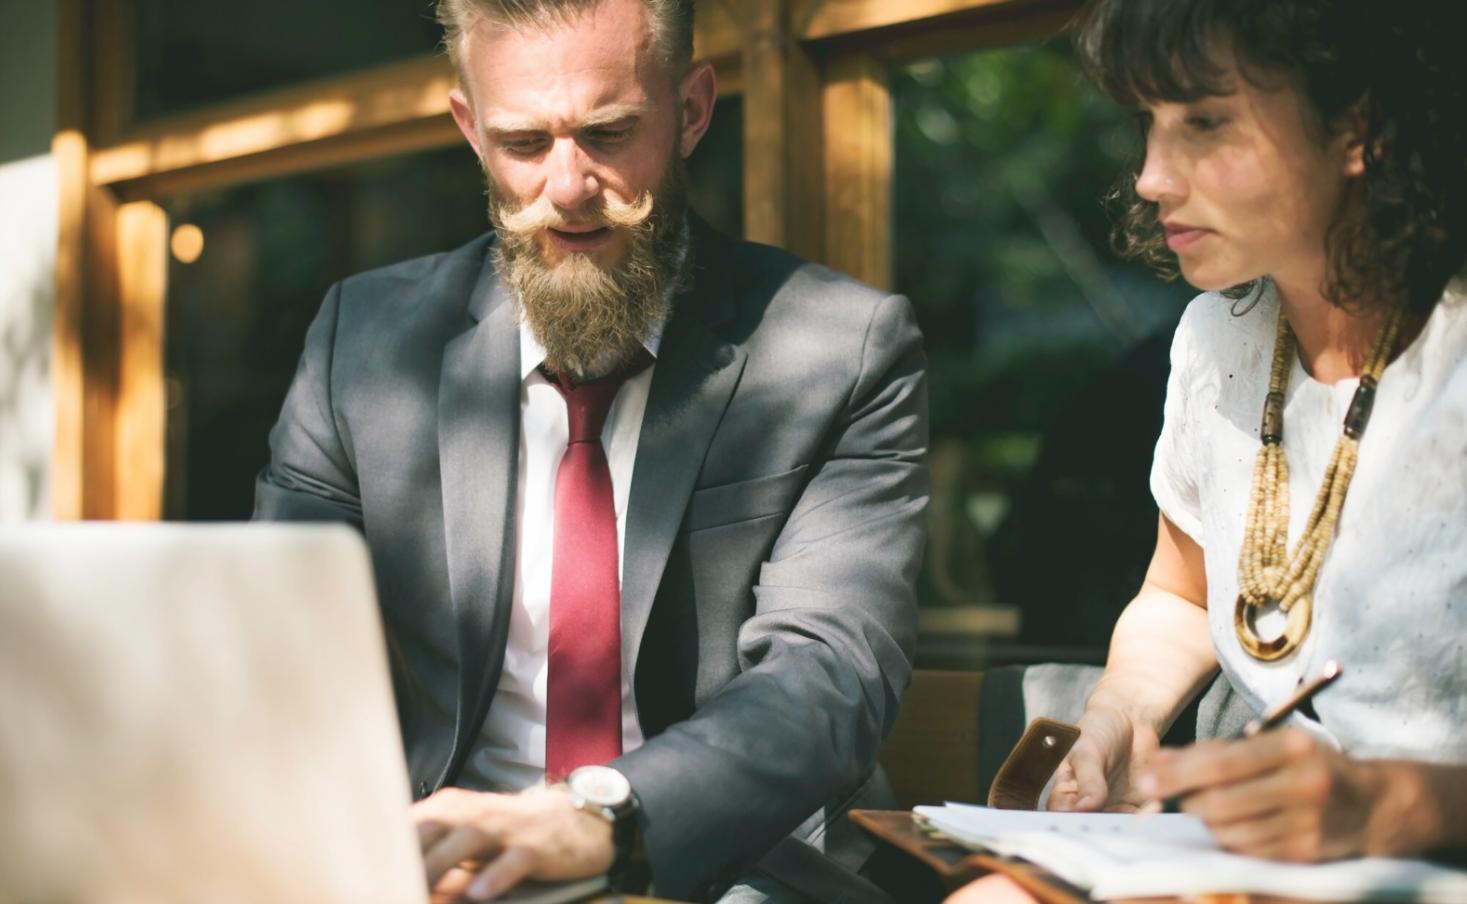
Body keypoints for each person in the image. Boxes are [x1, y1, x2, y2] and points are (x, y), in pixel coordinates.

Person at [254, 0, 929, 901]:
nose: (568, 186)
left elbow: (826, 677)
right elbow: (279, 639)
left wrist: (597, 817)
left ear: (691, 110)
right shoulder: (365, 343)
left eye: (608, 133)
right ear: (469, 129)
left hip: (720, 867)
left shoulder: (840, 349)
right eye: (524, 144)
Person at [953, 2, 1466, 899]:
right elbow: (1179, 597)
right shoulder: (1215, 342)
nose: (1151, 176)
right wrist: (1115, 718)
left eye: (1204, 122)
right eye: (1145, 125)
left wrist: (1389, 804)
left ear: (1360, 127)